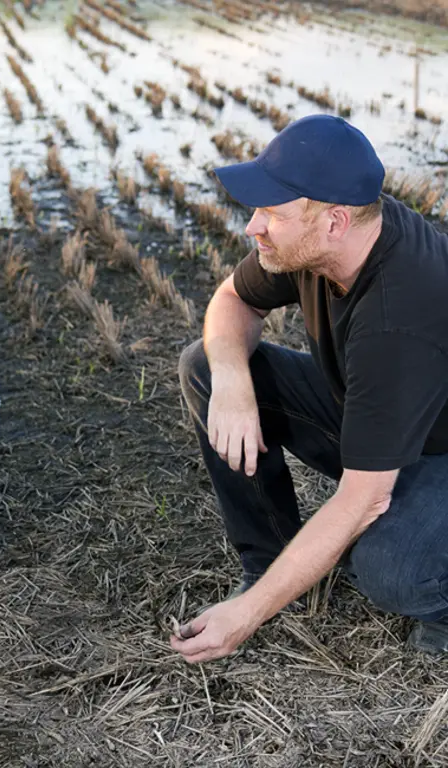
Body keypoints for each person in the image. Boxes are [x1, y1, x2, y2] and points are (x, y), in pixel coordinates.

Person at [172, 114, 448, 662]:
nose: (253, 227)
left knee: (387, 568)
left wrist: (243, 622)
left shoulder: (398, 314)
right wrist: (232, 382)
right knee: (206, 362)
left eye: (272, 213)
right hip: (383, 416)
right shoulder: (319, 242)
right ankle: (264, 564)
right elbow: (233, 300)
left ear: (334, 223)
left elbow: (362, 499)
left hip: (440, 449)